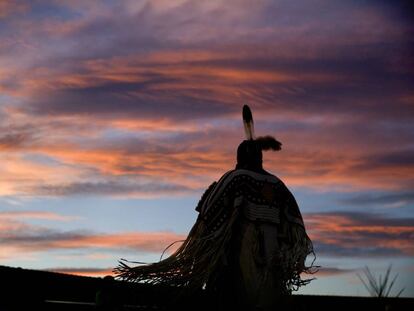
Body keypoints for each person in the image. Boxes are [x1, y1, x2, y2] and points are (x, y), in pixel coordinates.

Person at [115, 105, 315, 310]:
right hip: (272, 255)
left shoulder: (235, 178)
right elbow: (295, 225)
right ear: (259, 157)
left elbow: (210, 215)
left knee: (233, 298)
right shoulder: (278, 184)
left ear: (239, 158)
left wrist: (204, 243)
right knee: (265, 300)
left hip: (240, 251)